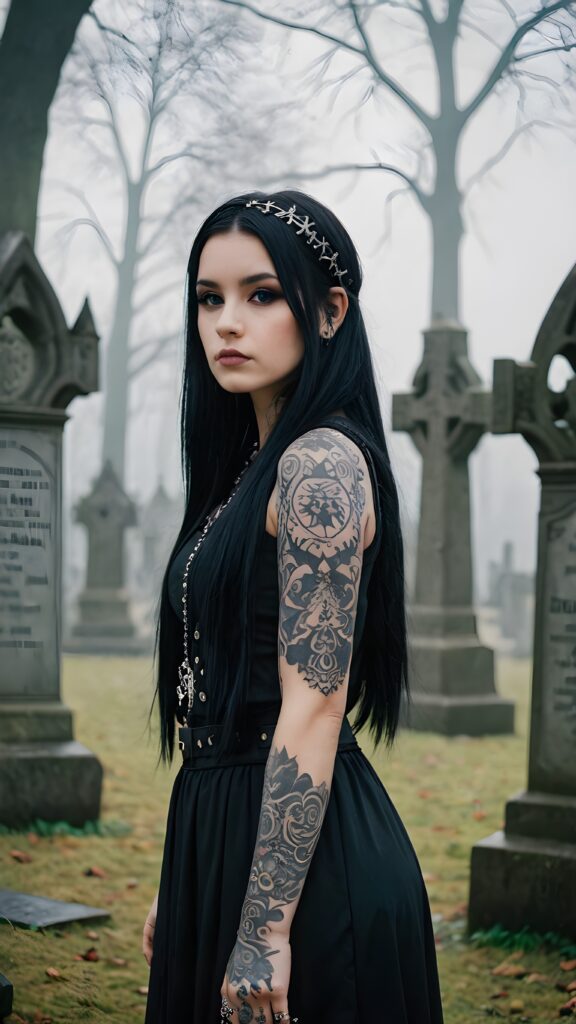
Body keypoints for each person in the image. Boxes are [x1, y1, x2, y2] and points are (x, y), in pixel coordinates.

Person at [143, 189, 444, 1024]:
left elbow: (312, 704)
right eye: (210, 299)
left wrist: (262, 927)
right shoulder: (249, 465)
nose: (226, 323)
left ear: (330, 311)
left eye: (261, 294)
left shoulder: (320, 465)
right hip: (225, 835)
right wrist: (193, 883)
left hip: (311, 879)